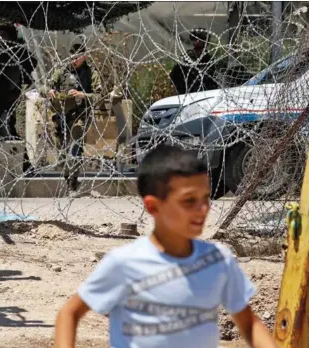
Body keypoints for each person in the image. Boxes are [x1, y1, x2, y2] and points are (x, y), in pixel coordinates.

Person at [54, 144, 277, 348]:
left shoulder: (219, 260)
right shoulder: (124, 263)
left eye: (206, 198)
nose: (203, 209)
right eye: (189, 201)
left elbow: (249, 324)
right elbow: (69, 314)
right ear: (153, 206)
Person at [44, 43, 102, 196]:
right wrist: (49, 91)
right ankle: (68, 179)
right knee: (62, 151)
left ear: (84, 57)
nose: (74, 60)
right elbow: (45, 87)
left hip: (80, 115)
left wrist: (83, 95)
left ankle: (72, 184)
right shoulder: (61, 72)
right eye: (72, 57)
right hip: (61, 115)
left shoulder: (91, 74)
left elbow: (99, 96)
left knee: (74, 147)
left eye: (78, 57)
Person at [0, 22, 37, 138]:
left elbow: (32, 62)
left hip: (11, 91)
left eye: (3, 36)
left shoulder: (17, 51)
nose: (0, 39)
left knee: (7, 120)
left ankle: (9, 142)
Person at [169, 28, 218, 94]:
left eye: (201, 39)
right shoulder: (186, 59)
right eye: (194, 38)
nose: (197, 41)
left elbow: (214, 81)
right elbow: (174, 77)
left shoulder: (210, 60)